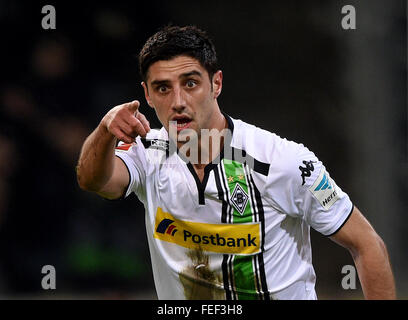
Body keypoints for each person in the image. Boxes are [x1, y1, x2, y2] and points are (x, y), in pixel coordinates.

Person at [76, 25, 396, 300]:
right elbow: (93, 181)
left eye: (190, 83)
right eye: (163, 88)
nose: (177, 102)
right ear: (147, 95)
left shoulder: (284, 162)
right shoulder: (147, 152)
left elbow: (366, 244)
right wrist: (105, 130)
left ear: (216, 84)